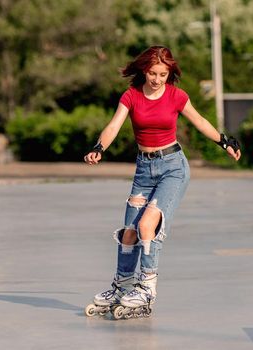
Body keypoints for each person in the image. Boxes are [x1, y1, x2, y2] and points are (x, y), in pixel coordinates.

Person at [83, 46, 241, 319]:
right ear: (144, 70)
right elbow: (113, 126)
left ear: (169, 74)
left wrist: (223, 141)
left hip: (173, 168)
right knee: (130, 232)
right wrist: (99, 147)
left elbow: (200, 120)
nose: (157, 79)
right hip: (144, 169)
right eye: (153, 73)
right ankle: (122, 286)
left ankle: (146, 288)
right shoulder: (131, 96)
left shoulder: (176, 96)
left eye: (163, 74)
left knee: (147, 225)